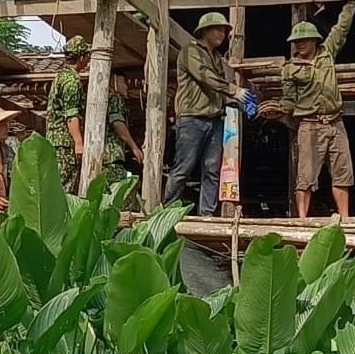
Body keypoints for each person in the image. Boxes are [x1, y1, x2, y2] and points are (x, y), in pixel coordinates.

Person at [165, 13, 251, 215]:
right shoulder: (190, 51)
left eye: (224, 30)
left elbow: (217, 92)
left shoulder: (217, 58)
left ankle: (207, 216)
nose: (222, 34)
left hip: (214, 119)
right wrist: (235, 91)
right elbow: (206, 77)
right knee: (183, 168)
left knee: (211, 170)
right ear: (205, 31)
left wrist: (239, 104)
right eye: (218, 29)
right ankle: (166, 213)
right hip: (192, 119)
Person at [279, 1, 355, 218]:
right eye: (297, 41)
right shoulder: (290, 69)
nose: (300, 44)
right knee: (305, 175)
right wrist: (278, 111)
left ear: (315, 40)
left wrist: (351, 2)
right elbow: (289, 100)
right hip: (309, 125)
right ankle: (302, 218)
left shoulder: (327, 53)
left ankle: (345, 217)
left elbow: (341, 29)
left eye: (304, 40)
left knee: (342, 173)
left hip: (335, 122)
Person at [47, 35, 91, 192]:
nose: (88, 59)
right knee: (65, 186)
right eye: (87, 55)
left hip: (55, 140)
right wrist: (78, 143)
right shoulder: (71, 82)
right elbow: (71, 115)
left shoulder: (60, 76)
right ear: (81, 57)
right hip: (65, 143)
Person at [102, 74, 145, 188]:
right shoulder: (115, 99)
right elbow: (117, 123)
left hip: (104, 157)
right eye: (123, 83)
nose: (126, 87)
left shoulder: (104, 100)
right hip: (113, 156)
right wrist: (134, 147)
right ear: (114, 83)